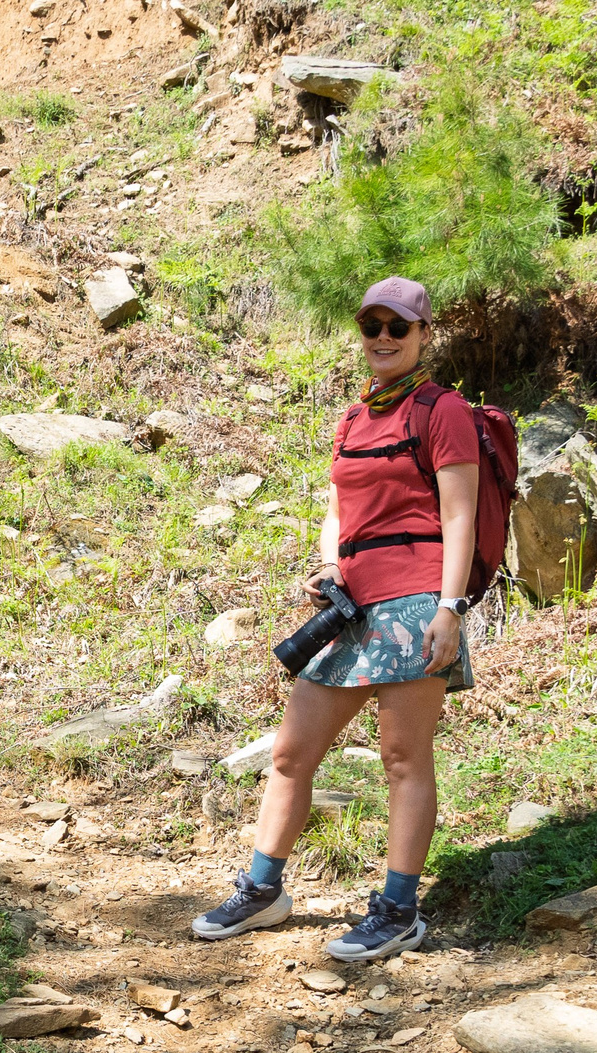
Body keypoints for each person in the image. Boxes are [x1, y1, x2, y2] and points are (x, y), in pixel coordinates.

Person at [191, 275, 479, 963]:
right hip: (351, 607)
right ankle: (263, 890)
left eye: (398, 327)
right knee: (291, 754)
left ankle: (399, 910)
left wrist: (451, 607)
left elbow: (460, 514)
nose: (383, 337)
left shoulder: (444, 411)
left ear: (424, 334)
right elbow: (337, 507)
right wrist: (329, 565)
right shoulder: (354, 418)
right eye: (372, 325)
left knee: (403, 758)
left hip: (416, 603)